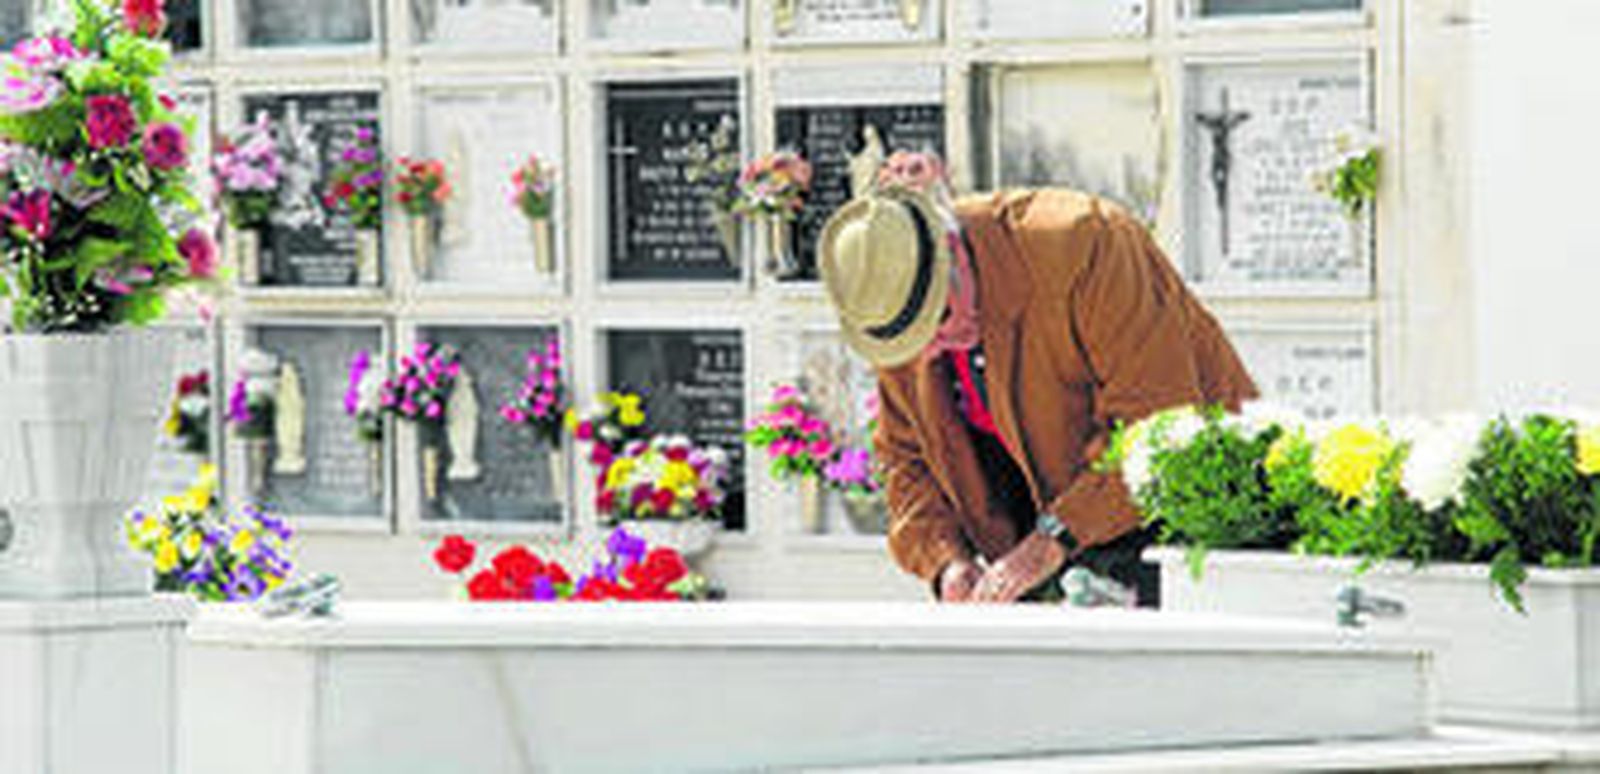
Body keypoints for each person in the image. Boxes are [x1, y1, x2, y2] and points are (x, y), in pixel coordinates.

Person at [817, 154, 1257, 604]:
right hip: (1039, 546)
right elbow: (906, 460)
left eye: (941, 316)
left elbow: (1158, 427)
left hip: (1184, 524)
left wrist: (1054, 537)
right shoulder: (893, 306)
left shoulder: (1086, 243)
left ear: (951, 248)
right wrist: (946, 561)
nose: (935, 347)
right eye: (915, 342)